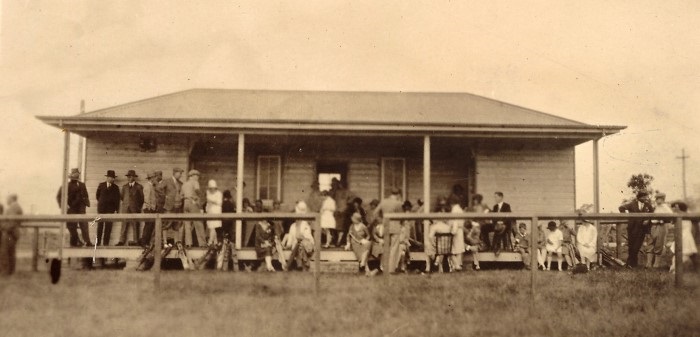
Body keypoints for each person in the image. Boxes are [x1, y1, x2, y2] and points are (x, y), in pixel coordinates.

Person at [56, 168, 92, 247]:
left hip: (81, 209)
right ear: (71, 176)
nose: (76, 176)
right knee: (72, 227)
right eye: (74, 174)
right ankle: (75, 243)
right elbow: (59, 196)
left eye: (77, 174)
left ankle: (88, 242)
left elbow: (85, 195)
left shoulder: (82, 185)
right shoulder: (66, 186)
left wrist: (85, 202)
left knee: (84, 226)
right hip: (72, 209)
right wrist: (64, 206)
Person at [618, 191, 653, 268]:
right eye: (643, 197)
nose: (645, 198)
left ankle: (629, 263)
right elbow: (621, 208)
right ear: (639, 197)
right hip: (632, 228)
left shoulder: (648, 205)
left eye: (646, 197)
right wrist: (626, 216)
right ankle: (633, 264)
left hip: (642, 229)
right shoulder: (632, 204)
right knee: (631, 246)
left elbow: (652, 214)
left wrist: (648, 220)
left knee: (637, 246)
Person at [374, 187, 404, 274]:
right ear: (398, 194)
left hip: (386, 226)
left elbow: (375, 212)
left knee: (386, 247)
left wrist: (381, 221)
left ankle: (384, 267)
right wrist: (401, 223)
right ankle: (391, 269)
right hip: (395, 227)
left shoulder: (384, 201)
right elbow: (401, 216)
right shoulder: (398, 203)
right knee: (394, 248)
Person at [282, 201, 315, 271]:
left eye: (299, 218)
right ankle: (304, 263)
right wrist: (287, 246)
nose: (297, 219)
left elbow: (308, 237)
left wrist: (301, 238)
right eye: (296, 218)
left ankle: (298, 264)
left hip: (307, 246)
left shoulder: (306, 225)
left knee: (300, 244)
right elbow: (290, 242)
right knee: (298, 245)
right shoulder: (292, 226)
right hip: (297, 248)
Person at [668, 201, 698, 272]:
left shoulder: (681, 214)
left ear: (677, 207)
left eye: (674, 207)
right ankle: (676, 268)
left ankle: (676, 269)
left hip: (685, 235)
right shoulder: (681, 214)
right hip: (683, 235)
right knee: (685, 253)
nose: (672, 209)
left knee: (684, 253)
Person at [116, 170, 144, 246]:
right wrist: (126, 204)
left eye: (130, 176)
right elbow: (122, 197)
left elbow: (141, 199)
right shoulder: (125, 187)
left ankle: (136, 240)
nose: (129, 178)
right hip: (125, 209)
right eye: (128, 177)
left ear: (134, 177)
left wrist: (137, 207)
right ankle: (121, 241)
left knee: (135, 224)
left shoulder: (139, 187)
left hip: (135, 209)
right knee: (124, 225)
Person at [158, 168, 184, 246]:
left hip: (177, 206)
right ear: (175, 173)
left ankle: (176, 242)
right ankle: (165, 242)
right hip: (169, 206)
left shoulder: (180, 183)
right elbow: (158, 188)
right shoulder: (167, 181)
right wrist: (165, 197)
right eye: (180, 173)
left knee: (177, 225)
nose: (181, 175)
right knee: (166, 224)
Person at [181, 170, 206, 247]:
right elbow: (197, 191)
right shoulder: (195, 182)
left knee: (187, 224)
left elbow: (181, 195)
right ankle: (202, 243)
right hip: (193, 202)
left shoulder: (184, 184)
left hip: (185, 203)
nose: (198, 177)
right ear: (192, 176)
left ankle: (188, 243)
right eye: (196, 175)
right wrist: (201, 197)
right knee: (198, 223)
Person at [95, 170, 121, 246]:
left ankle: (105, 244)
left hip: (110, 210)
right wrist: (102, 203)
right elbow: (97, 196)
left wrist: (116, 209)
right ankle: (98, 243)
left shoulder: (116, 187)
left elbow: (117, 199)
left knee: (108, 227)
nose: (113, 179)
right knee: (100, 226)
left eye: (113, 178)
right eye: (111, 177)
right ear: (107, 178)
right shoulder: (101, 185)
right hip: (101, 209)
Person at [646, 192, 671, 268]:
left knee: (658, 244)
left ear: (663, 199)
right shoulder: (656, 207)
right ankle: (648, 263)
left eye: (659, 198)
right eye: (656, 198)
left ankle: (656, 264)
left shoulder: (665, 207)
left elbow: (670, 216)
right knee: (650, 243)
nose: (657, 200)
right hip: (653, 226)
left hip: (661, 225)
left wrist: (663, 220)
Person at [0, 194, 22, 276]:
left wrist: (2, 227)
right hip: (10, 233)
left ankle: (5, 272)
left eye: (7, 199)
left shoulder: (14, 207)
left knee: (5, 252)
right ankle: (10, 271)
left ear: (12, 199)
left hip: (9, 233)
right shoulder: (14, 207)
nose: (6, 201)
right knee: (10, 252)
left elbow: (12, 223)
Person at [139, 171, 159, 247]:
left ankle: (146, 242)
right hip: (148, 209)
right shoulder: (147, 186)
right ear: (151, 178)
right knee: (148, 225)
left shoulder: (151, 186)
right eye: (154, 177)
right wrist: (150, 207)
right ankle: (144, 242)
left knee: (150, 225)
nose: (155, 179)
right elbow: (146, 198)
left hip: (151, 209)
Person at [491, 191, 513, 255]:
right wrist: (496, 222)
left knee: (500, 229)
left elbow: (508, 216)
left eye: (496, 197)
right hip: (497, 225)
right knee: (484, 227)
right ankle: (489, 246)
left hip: (505, 224)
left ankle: (497, 247)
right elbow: (493, 217)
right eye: (494, 197)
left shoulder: (506, 206)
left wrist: (502, 222)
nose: (495, 199)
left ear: (501, 197)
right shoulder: (495, 207)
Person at [205, 179, 223, 245]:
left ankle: (210, 241)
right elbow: (207, 203)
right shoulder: (208, 193)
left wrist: (212, 201)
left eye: (213, 188)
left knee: (213, 227)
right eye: (210, 188)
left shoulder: (219, 193)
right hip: (210, 212)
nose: (212, 190)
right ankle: (215, 242)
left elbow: (219, 203)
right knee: (211, 227)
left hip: (216, 212)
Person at [450, 203, 466, 271]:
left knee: (453, 249)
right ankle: (458, 265)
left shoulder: (455, 209)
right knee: (459, 249)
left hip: (456, 230)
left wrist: (453, 231)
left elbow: (455, 221)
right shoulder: (460, 210)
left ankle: (456, 265)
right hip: (460, 230)